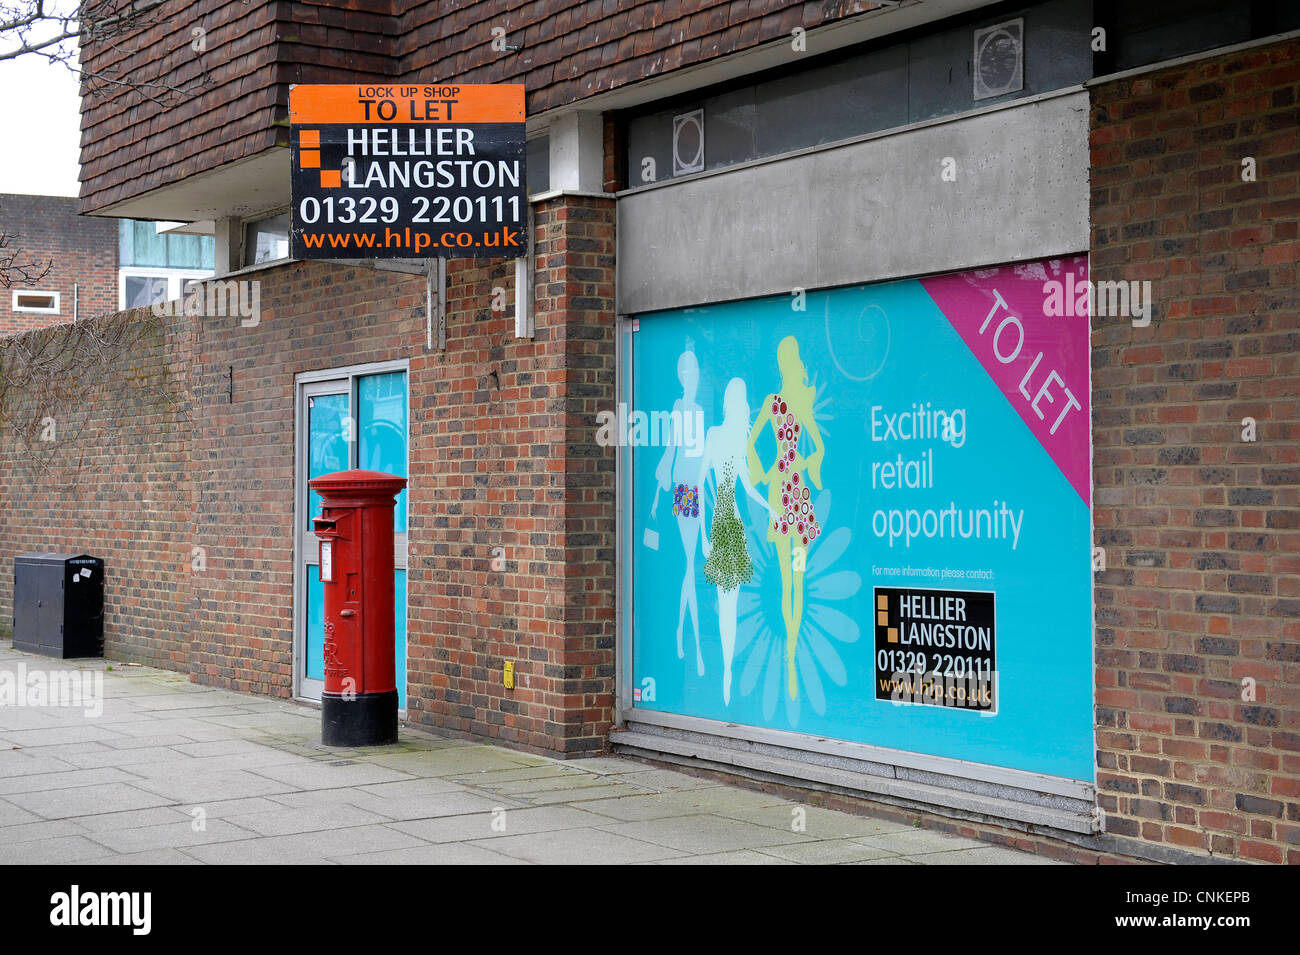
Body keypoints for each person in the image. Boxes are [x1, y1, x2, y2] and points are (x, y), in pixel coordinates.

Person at [746, 336, 826, 701]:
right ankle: (791, 656)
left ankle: (790, 653)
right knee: (792, 580)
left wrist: (766, 472)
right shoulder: (782, 402)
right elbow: (817, 447)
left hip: (787, 495)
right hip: (790, 497)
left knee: (792, 579)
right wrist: (806, 467)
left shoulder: (784, 402)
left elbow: (752, 442)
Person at [699, 377, 768, 705]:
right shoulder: (715, 436)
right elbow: (698, 485)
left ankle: (727, 669)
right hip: (723, 524)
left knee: (732, 604)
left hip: (729, 526)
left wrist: (773, 509)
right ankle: (725, 669)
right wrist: (702, 536)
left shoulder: (734, 439)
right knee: (727, 603)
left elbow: (750, 486)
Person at [651, 350, 706, 675]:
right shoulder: (678, 407)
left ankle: (681, 634)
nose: (692, 377)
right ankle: (693, 644)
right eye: (687, 372)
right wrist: (658, 495)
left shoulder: (698, 409)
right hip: (683, 491)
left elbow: (698, 454)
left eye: (694, 371)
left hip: (696, 490)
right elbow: (672, 448)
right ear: (681, 376)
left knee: (690, 565)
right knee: (688, 564)